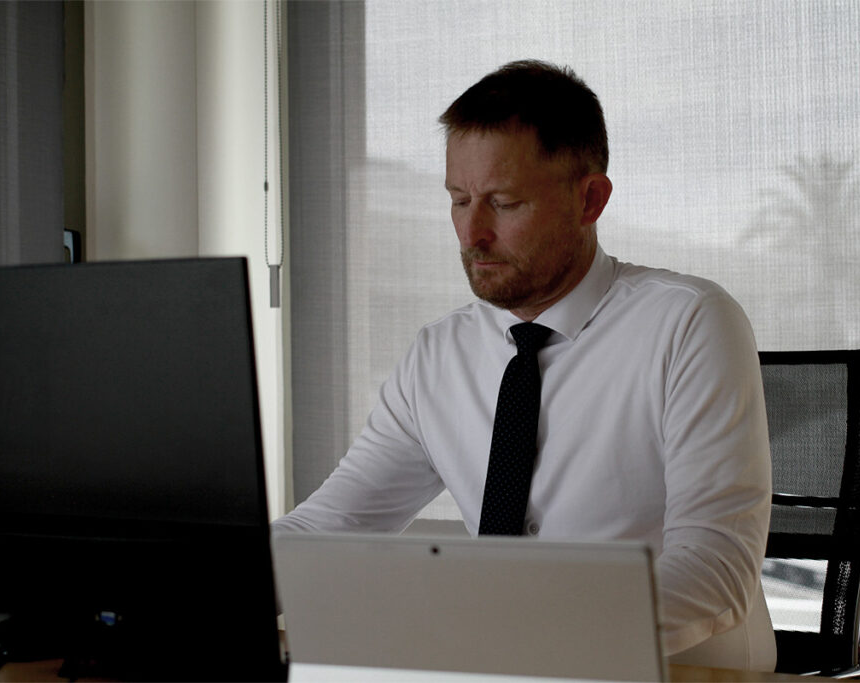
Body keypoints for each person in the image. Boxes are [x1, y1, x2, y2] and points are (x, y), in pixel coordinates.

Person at [274, 60, 776, 671]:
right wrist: (201, 579)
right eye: (459, 200)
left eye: (504, 203)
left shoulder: (690, 323)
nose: (472, 234)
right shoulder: (438, 356)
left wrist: (517, 638)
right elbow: (330, 528)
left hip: (679, 673)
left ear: (590, 199)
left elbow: (714, 567)